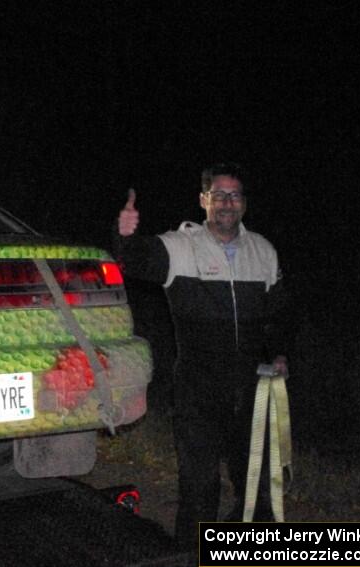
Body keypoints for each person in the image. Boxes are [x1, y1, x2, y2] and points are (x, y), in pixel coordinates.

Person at [114, 162, 290, 548]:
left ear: (243, 203)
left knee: (256, 483)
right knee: (199, 486)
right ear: (203, 200)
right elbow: (132, 262)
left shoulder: (263, 250)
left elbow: (276, 313)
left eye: (234, 195)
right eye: (219, 195)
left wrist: (278, 353)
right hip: (198, 388)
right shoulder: (181, 247)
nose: (227, 203)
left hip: (250, 387)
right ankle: (192, 553)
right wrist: (125, 236)